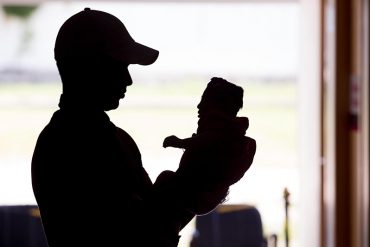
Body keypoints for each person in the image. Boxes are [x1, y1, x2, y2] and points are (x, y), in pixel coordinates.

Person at [31, 8, 256, 247]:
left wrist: (204, 180)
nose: (128, 79)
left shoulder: (106, 138)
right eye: (120, 66)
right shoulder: (66, 147)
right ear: (91, 67)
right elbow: (139, 234)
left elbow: (158, 223)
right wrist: (195, 181)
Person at [161, 77, 254, 214]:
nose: (199, 106)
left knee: (165, 178)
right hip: (202, 198)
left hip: (194, 195)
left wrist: (179, 142)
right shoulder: (228, 132)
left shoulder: (220, 133)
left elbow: (208, 140)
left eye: (205, 101)